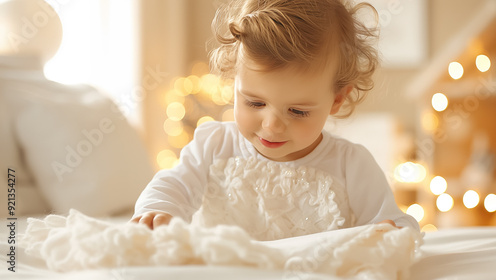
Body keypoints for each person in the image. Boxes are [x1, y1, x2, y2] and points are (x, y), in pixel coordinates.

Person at [131, 0, 419, 239]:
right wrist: (159, 210)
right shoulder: (214, 145)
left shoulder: (350, 165)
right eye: (255, 102)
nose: (271, 125)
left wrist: (389, 233)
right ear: (233, 83)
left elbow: (396, 225)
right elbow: (175, 186)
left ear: (337, 99)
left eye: (298, 111)